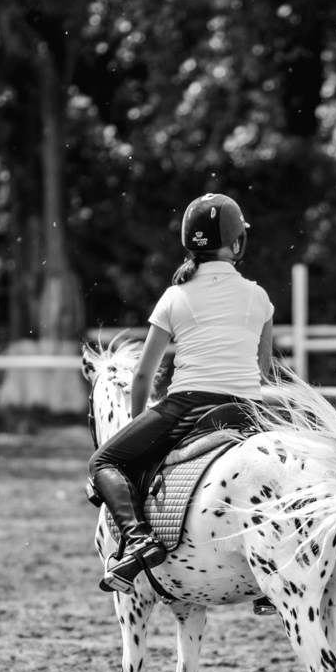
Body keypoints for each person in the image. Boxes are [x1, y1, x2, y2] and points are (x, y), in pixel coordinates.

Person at [90, 193, 277, 592]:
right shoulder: (259, 298)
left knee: (103, 461)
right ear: (237, 243)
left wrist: (137, 420)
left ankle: (138, 539)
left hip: (188, 407)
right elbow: (264, 371)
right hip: (249, 411)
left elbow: (143, 376)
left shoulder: (175, 297)